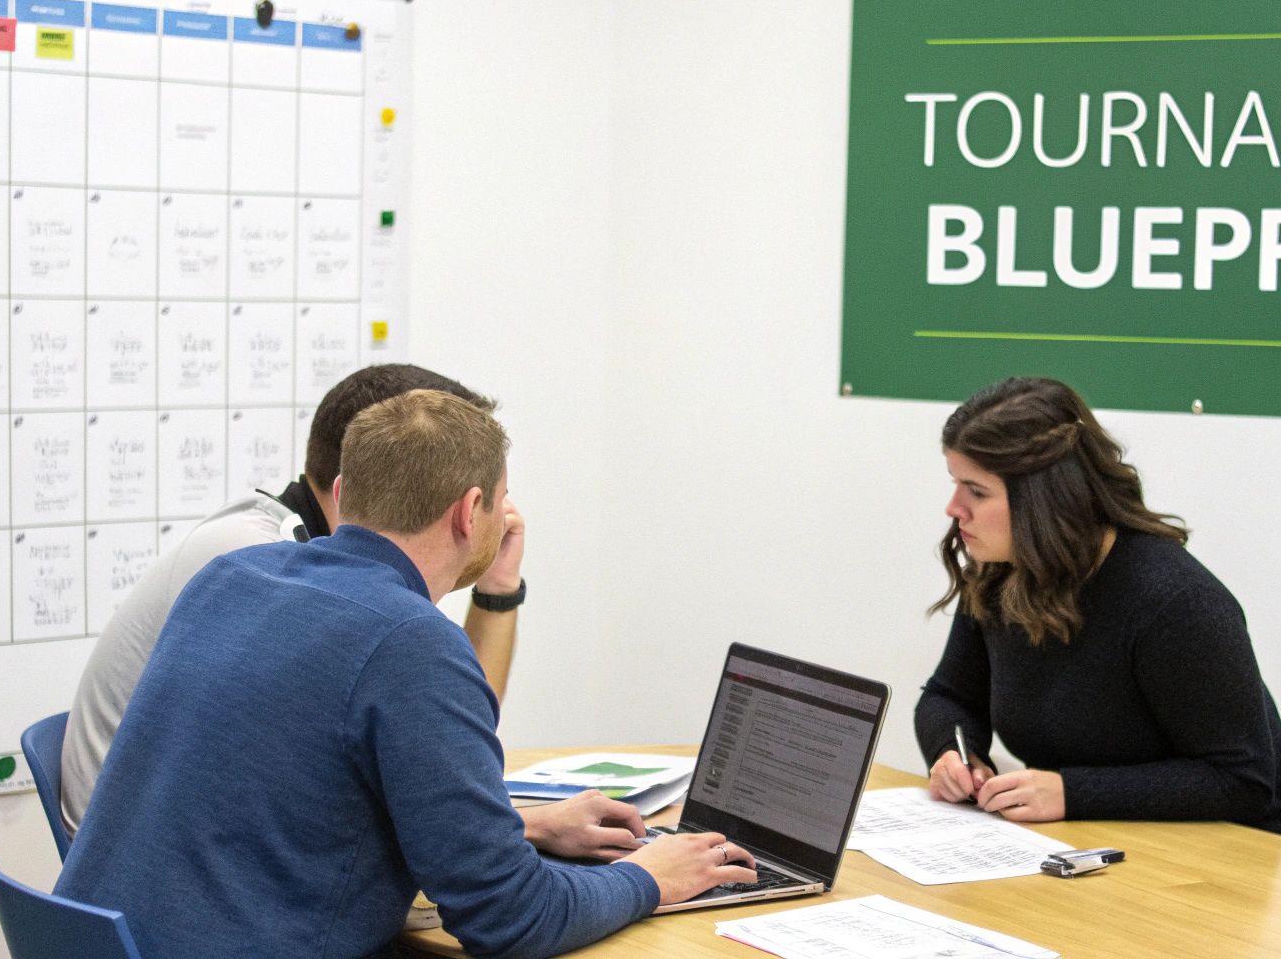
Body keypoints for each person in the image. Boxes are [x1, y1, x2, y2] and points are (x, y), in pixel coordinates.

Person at [56, 390, 756, 959]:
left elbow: (303, 799)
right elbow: (508, 920)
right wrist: (646, 878)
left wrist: (522, 829)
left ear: (342, 489)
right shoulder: (411, 644)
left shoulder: (232, 577)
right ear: (469, 512)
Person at [60, 364, 608, 864]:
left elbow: (440, 740)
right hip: (165, 865)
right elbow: (427, 760)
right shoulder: (256, 560)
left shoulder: (295, 566)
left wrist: (494, 586)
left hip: (158, 868)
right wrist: (526, 827)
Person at [913, 377, 1281, 845]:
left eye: (976, 491)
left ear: (1044, 498)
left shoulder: (1176, 602)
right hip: (1121, 848)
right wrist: (954, 753)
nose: (954, 509)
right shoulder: (1004, 574)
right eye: (956, 485)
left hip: (1253, 858)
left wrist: (1072, 793)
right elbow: (949, 697)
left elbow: (1243, 781)